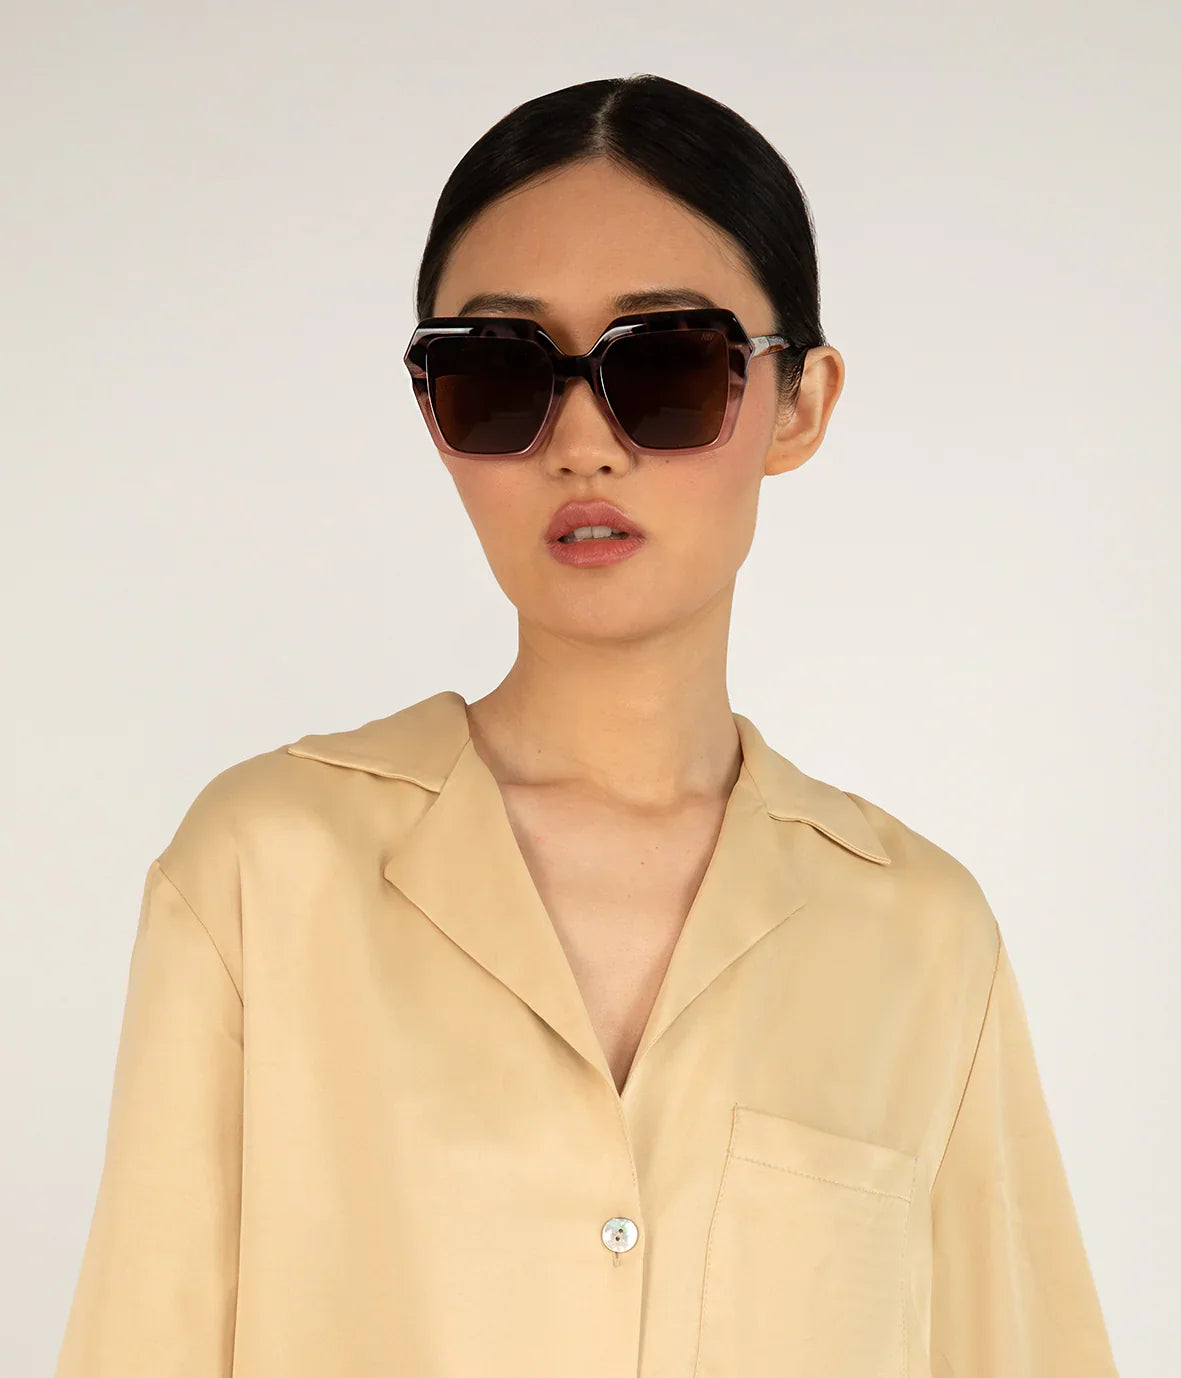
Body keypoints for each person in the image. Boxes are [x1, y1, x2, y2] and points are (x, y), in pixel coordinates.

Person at [55, 74, 1120, 1378]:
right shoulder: (263, 873)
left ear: (797, 401)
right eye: (497, 374)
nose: (580, 444)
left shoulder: (920, 936)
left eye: (664, 367)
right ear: (432, 407)